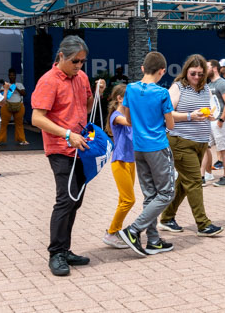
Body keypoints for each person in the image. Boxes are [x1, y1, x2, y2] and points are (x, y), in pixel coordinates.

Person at [30, 35, 105, 276]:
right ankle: (56, 253)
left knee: (76, 200)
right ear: (61, 56)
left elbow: (87, 103)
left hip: (81, 147)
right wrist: (67, 134)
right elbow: (37, 118)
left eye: (83, 62)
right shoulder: (48, 81)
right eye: (75, 61)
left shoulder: (81, 77)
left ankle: (65, 249)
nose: (79, 66)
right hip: (61, 149)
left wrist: (97, 92)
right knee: (66, 199)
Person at [118, 51, 179, 256]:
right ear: (162, 71)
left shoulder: (131, 89)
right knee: (167, 193)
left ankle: (153, 241)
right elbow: (170, 123)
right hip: (158, 147)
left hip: (138, 147)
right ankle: (134, 230)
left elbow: (127, 119)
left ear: (143, 68)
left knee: (150, 194)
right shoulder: (162, 94)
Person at [157, 54, 225, 236]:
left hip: (201, 143)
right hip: (180, 142)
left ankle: (167, 218)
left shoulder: (206, 89)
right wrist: (190, 115)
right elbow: (167, 114)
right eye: (193, 73)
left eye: (200, 74)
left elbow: (213, 110)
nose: (196, 77)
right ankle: (203, 224)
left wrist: (211, 116)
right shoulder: (177, 87)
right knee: (194, 181)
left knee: (184, 182)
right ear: (186, 71)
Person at [102, 84, 132, 249]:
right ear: (120, 98)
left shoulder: (128, 114)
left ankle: (116, 231)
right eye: (129, 97)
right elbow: (129, 122)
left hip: (131, 161)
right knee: (129, 200)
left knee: (124, 199)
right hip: (120, 161)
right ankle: (111, 232)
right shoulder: (116, 115)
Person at [206, 59, 225, 188]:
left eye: (207, 67)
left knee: (223, 149)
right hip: (212, 121)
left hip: (220, 121)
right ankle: (205, 175)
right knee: (204, 147)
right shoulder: (209, 84)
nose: (204, 70)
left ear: (214, 68)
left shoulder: (222, 83)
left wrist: (221, 120)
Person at [0, 68, 28, 146]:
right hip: (7, 105)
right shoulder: (5, 85)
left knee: (19, 124)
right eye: (10, 75)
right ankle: (0, 140)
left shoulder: (19, 84)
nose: (12, 77)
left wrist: (15, 87)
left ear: (15, 76)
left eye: (13, 75)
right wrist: (7, 88)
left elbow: (24, 94)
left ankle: (22, 140)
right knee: (3, 124)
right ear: (8, 76)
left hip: (19, 105)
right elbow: (1, 94)